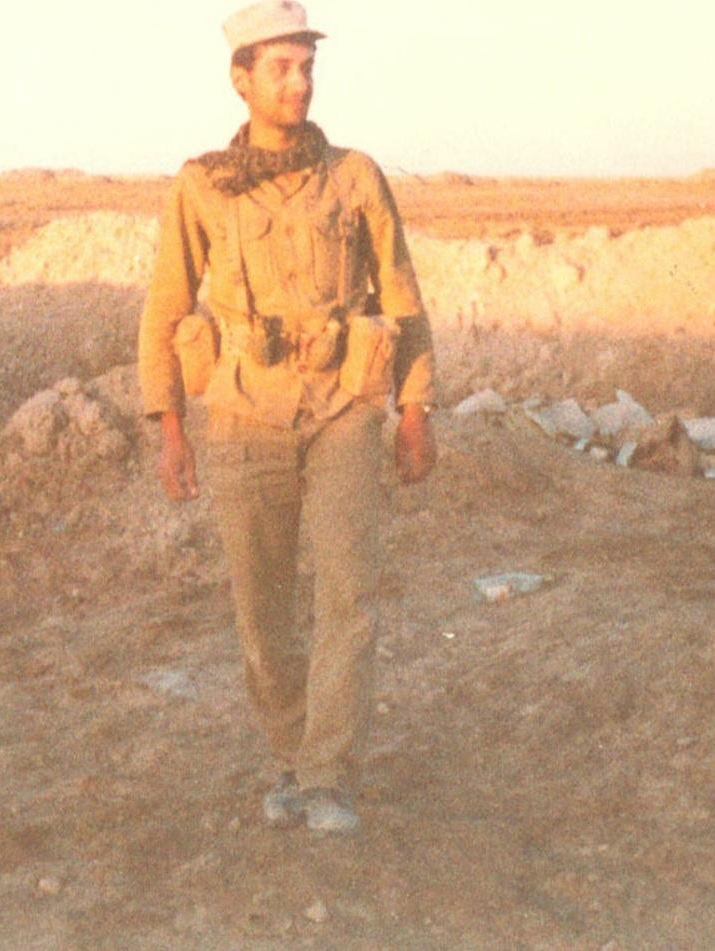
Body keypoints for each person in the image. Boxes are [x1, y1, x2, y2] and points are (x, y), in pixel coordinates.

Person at [137, 0, 436, 834]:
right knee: (262, 609)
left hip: (343, 406)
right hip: (243, 413)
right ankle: (290, 752)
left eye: (307, 67)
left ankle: (328, 774)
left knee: (349, 593)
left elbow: (403, 299)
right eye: (280, 68)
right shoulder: (203, 185)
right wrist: (169, 426)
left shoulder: (355, 177)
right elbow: (165, 307)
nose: (298, 83)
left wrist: (415, 408)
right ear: (241, 79)